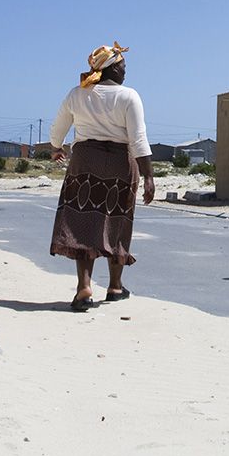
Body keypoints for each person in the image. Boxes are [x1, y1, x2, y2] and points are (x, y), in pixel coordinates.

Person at [49, 43, 155, 312]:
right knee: (116, 221)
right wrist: (149, 176)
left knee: (82, 220)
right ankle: (115, 287)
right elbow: (138, 139)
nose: (125, 72)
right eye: (122, 66)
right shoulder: (129, 97)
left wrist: (56, 146)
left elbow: (57, 129)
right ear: (112, 67)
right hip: (121, 163)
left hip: (85, 161)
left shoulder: (77, 94)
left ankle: (84, 288)